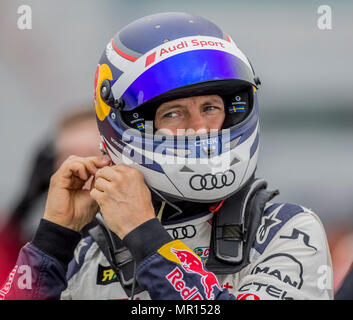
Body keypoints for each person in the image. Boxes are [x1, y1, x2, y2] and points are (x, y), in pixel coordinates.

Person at [1, 12, 333, 300]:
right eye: (173, 114)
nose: (201, 128)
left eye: (211, 108)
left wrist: (146, 237)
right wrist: (52, 241)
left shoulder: (285, 230)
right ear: (131, 125)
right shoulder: (90, 253)